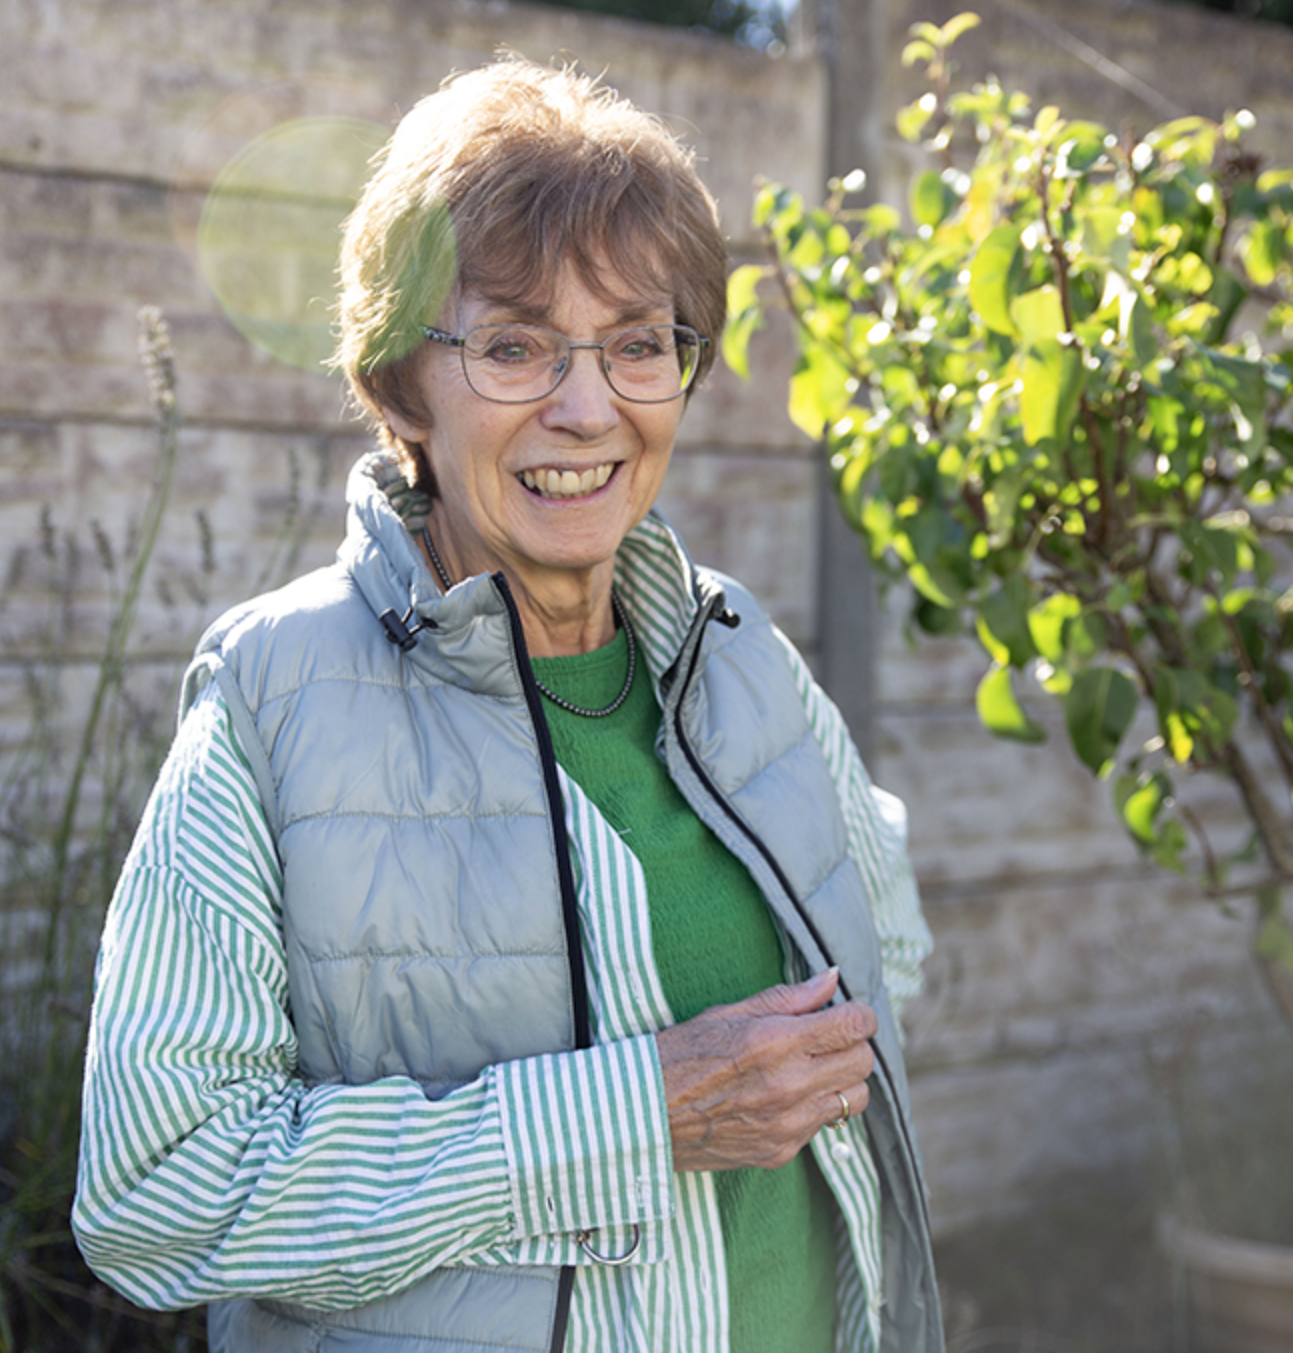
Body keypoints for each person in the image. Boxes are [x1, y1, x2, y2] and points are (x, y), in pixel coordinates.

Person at [72, 56, 943, 1353]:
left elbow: (890, 953)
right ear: (398, 387)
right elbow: (157, 1193)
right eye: (515, 344)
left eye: (637, 344)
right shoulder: (273, 705)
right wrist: (629, 1117)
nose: (586, 406)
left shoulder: (742, 655)